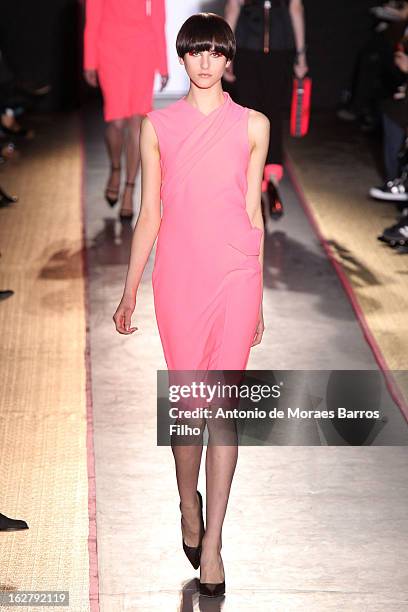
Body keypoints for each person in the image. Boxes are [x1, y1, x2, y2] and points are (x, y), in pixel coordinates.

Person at [113, 13, 269, 598]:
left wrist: (259, 294)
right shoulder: (156, 126)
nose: (204, 62)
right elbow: (150, 211)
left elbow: (252, 212)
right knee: (187, 407)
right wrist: (130, 288)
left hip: (236, 276)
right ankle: (187, 503)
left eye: (214, 52)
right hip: (178, 278)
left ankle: (214, 544)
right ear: (182, 59)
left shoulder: (254, 126)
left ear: (229, 59)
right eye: (194, 52)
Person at [83, 0, 169, 220]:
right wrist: (89, 61)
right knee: (116, 121)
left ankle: (130, 189)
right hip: (109, 48)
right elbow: (92, 18)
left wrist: (162, 63)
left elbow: (158, 18)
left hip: (143, 49)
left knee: (137, 121)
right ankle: (115, 168)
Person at [224, 0, 307, 210]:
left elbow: (233, 7)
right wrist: (301, 54)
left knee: (249, 119)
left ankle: (254, 186)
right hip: (280, 47)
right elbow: (295, 9)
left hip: (247, 46)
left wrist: (227, 52)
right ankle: (272, 180)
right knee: (273, 116)